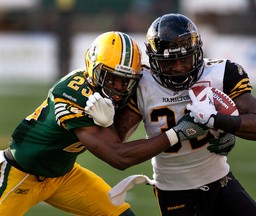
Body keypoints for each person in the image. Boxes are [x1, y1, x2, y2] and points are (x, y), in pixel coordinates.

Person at [0, 31, 205, 216]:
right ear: (94, 69)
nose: (118, 88)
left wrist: (219, 126)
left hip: (64, 176)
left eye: (125, 81)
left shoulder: (123, 86)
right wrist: (177, 133)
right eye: (111, 79)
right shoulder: (72, 94)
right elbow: (118, 157)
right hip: (21, 173)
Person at [110, 13, 256, 216]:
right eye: (169, 62)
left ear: (198, 52)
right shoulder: (142, 84)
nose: (178, 68)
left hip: (221, 182)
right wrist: (107, 115)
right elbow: (116, 146)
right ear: (153, 60)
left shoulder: (220, 73)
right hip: (174, 192)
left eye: (185, 59)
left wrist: (222, 123)